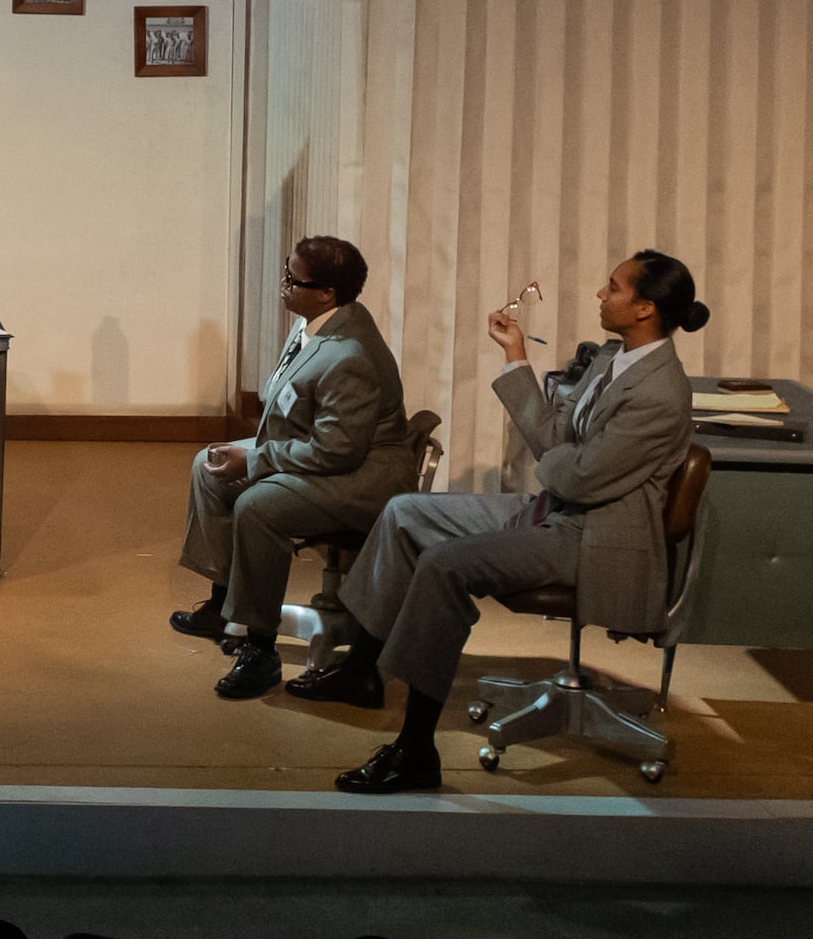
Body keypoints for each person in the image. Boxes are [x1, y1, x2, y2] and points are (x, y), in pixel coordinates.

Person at [324, 250, 707, 794]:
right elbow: (556, 443)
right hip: (559, 509)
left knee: (444, 566)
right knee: (404, 511)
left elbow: (576, 477)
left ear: (645, 308)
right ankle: (361, 670)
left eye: (613, 287)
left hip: (596, 537)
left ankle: (415, 751)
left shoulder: (660, 392)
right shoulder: (613, 358)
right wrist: (515, 356)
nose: (601, 294)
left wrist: (558, 461)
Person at [171, 234, 425, 701]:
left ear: (326, 292)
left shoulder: (351, 355)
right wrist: (251, 456)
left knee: (258, 506)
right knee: (208, 465)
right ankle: (222, 606)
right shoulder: (318, 321)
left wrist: (257, 460)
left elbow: (338, 451)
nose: (283, 285)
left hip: (362, 477)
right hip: (318, 451)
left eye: (293, 280)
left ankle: (259, 648)